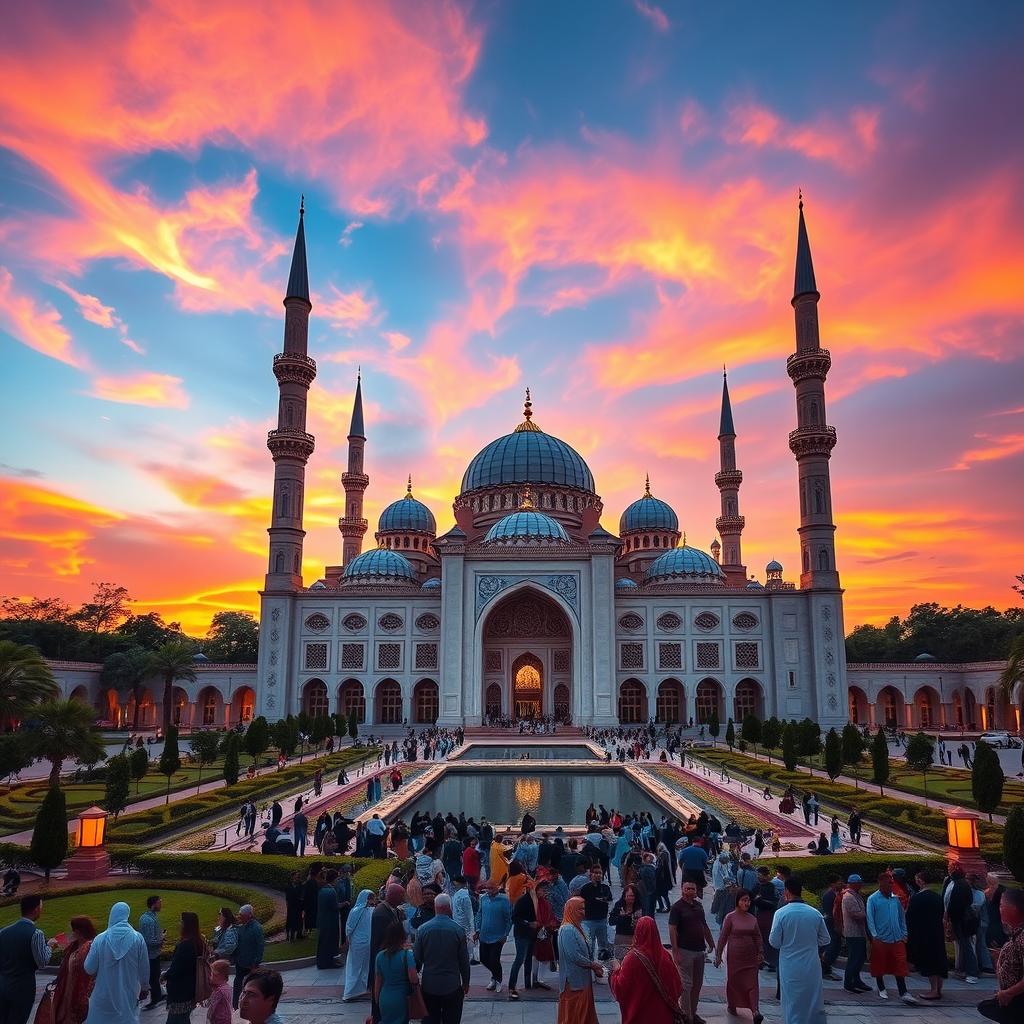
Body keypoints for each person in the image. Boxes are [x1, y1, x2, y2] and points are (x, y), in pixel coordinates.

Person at [768, 879, 830, 1024]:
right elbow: (825, 939)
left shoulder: (781, 913)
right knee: (812, 999)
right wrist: (810, 943)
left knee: (791, 1001)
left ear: (787, 892)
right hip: (811, 964)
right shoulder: (814, 913)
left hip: (790, 965)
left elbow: (774, 942)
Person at [83, 902, 151, 1024]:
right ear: (127, 916)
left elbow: (89, 968)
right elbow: (144, 969)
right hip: (128, 995)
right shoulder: (138, 938)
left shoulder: (100, 939)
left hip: (103, 996)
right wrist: (145, 988)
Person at [609, 916, 682, 1024]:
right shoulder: (665, 955)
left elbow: (621, 989)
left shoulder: (632, 959)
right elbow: (677, 986)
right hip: (663, 1016)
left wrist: (615, 971)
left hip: (640, 1016)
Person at [413, 893, 471, 1024]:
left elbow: (417, 960)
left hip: (429, 985)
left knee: (430, 1019)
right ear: (449, 908)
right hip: (452, 985)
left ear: (435, 907)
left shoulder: (422, 930)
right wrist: (466, 982)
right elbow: (464, 961)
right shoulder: (458, 930)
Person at [0, 893, 54, 1024]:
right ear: (36, 909)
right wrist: (50, 946)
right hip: (23, 988)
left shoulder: (3, 932)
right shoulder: (36, 933)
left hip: (3, 985)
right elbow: (42, 962)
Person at [866, 872, 918, 1004]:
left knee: (900, 963)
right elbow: (870, 918)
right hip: (881, 938)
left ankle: (903, 992)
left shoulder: (895, 899)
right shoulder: (873, 899)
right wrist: (875, 935)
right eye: (889, 883)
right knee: (879, 964)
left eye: (892, 882)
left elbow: (901, 917)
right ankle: (881, 987)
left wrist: (904, 933)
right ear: (881, 883)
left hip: (897, 938)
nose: (891, 885)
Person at [669, 880, 715, 1024]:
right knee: (686, 985)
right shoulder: (677, 908)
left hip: (699, 950)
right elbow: (672, 929)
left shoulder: (698, 905)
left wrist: (711, 943)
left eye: (692, 889)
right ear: (682, 890)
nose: (690, 891)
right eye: (687, 888)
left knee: (697, 984)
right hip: (684, 950)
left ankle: (693, 1013)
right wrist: (675, 950)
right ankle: (686, 1016)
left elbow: (704, 925)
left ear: (696, 891)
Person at [714, 890, 763, 1024]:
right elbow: (723, 937)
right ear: (737, 901)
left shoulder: (752, 918)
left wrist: (760, 952)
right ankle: (732, 1005)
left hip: (750, 956)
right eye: (744, 900)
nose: (747, 903)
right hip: (734, 955)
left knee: (752, 983)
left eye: (748, 900)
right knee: (734, 981)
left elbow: (757, 937)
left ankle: (755, 1011)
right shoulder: (730, 917)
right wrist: (718, 955)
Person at [977, 887, 1024, 1022]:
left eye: (1002, 905)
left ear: (1013, 909)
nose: (999, 909)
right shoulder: (1016, 934)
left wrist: (1009, 993)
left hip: (1018, 1001)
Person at [556, 898, 602, 1024]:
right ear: (572, 910)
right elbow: (574, 956)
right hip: (573, 982)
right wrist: (593, 965)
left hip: (582, 980)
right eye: (580, 909)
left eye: (584, 908)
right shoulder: (567, 930)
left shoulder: (579, 927)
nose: (583, 911)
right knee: (574, 1015)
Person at [906, 869, 947, 1001]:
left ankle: (934, 990)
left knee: (930, 962)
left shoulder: (917, 898)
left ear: (920, 881)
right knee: (938, 959)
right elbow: (943, 914)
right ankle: (938, 989)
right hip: (937, 932)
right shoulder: (937, 897)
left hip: (924, 934)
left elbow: (909, 918)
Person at [163, 911, 208, 1024]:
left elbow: (176, 969)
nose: (179, 924)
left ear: (186, 925)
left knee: (176, 1020)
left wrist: (164, 975)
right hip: (191, 989)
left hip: (180, 993)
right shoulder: (198, 942)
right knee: (183, 1019)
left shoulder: (185, 946)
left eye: (181, 921)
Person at [53, 916, 97, 1024]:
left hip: (82, 992)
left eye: (72, 930)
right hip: (68, 991)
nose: (70, 933)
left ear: (77, 931)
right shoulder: (73, 946)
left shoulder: (90, 947)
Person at [374, 919, 419, 1024]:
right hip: (401, 998)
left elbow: (378, 983)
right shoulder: (406, 955)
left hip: (384, 997)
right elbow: (413, 978)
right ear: (402, 936)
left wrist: (378, 1000)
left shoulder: (380, 956)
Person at [475, 881, 512, 993]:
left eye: (491, 888)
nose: (489, 890)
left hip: (498, 936)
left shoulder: (504, 900)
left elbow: (509, 919)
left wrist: (505, 934)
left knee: (494, 959)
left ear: (497, 887)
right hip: (484, 935)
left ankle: (498, 979)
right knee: (483, 959)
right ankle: (495, 975)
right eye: (487, 888)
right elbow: (479, 915)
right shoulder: (483, 899)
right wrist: (477, 930)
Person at [509, 879, 540, 999]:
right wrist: (528, 923)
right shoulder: (522, 901)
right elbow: (515, 918)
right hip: (522, 934)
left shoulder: (536, 901)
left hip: (532, 934)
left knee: (528, 959)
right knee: (520, 959)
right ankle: (512, 986)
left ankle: (528, 984)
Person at [343, 890, 375, 1001]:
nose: (371, 901)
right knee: (356, 967)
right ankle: (350, 992)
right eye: (370, 898)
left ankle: (360, 990)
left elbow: (349, 928)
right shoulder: (358, 911)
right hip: (360, 943)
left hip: (364, 943)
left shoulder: (367, 910)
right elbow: (350, 927)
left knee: (361, 967)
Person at [841, 874, 870, 993]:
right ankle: (848, 982)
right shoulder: (848, 897)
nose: (861, 884)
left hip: (859, 932)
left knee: (860, 958)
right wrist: (868, 914)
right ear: (853, 883)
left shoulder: (855, 895)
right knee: (854, 958)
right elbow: (856, 914)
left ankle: (857, 980)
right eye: (859, 882)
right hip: (853, 932)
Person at [232, 905, 265, 1010]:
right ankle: (235, 1006)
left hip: (251, 964)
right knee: (237, 983)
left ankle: (250, 1007)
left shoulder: (256, 928)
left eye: (241, 915)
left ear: (249, 915)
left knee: (250, 986)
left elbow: (260, 946)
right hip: (240, 961)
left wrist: (256, 962)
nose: (239, 916)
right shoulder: (241, 926)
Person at [579, 863, 613, 964]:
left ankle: (604, 966)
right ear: (591, 874)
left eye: (600, 873)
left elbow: (609, 901)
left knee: (603, 945)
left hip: (602, 921)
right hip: (588, 921)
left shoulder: (605, 888)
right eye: (596, 873)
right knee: (590, 945)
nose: (598, 875)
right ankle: (590, 965)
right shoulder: (585, 888)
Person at [138, 895, 165, 1009]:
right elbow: (149, 941)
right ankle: (155, 999)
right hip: (151, 955)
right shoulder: (148, 920)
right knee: (153, 977)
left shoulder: (151, 917)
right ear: (153, 904)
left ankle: (159, 995)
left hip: (154, 954)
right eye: (159, 902)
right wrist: (162, 939)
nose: (161, 904)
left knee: (155, 976)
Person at [608, 884, 642, 960]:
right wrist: (623, 917)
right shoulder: (619, 905)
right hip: (621, 938)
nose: (631, 898)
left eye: (633, 896)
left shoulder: (640, 906)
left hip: (636, 938)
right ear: (624, 896)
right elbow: (611, 921)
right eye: (629, 896)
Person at [819, 875, 843, 980]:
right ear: (832, 884)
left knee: (835, 946)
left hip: (833, 924)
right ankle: (824, 969)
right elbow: (830, 912)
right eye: (839, 882)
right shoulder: (829, 896)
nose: (841, 884)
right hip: (831, 925)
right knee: (831, 947)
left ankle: (827, 968)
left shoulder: (835, 894)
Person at [316, 871, 340, 969]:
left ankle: (323, 961)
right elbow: (334, 906)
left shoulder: (322, 890)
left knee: (323, 942)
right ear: (334, 879)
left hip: (323, 920)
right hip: (330, 921)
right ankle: (328, 962)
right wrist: (344, 904)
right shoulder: (331, 891)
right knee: (329, 941)